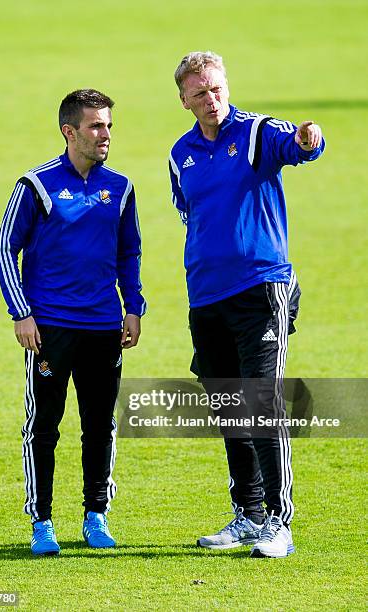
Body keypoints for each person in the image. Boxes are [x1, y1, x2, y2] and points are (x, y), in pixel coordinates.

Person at [169, 52, 324, 558]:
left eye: (215, 88)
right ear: (184, 100)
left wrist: (307, 139)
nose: (210, 99)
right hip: (206, 295)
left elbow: (297, 146)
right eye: (199, 93)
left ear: (226, 86)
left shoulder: (256, 132)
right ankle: (249, 515)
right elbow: (189, 213)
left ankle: (280, 524)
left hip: (261, 289)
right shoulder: (179, 154)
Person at [0, 89, 146, 556]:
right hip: (51, 330)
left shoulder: (119, 187)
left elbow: (129, 251)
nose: (105, 135)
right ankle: (42, 521)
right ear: (70, 131)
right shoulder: (36, 185)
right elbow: (5, 249)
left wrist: (134, 306)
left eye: (108, 126)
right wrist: (21, 313)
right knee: (44, 425)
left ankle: (95, 515)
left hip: (104, 326)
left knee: (100, 424)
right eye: (96, 126)